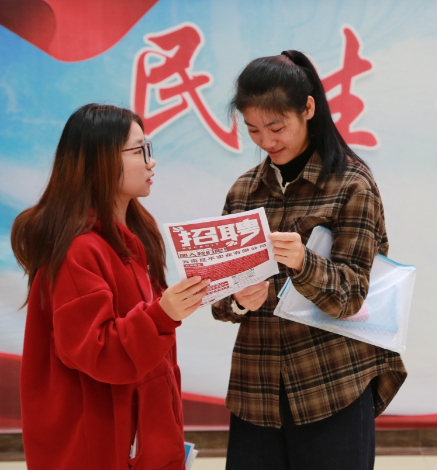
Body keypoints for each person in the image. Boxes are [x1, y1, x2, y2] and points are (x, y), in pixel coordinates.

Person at [211, 50, 407, 470]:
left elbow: (352, 296)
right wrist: (238, 301)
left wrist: (304, 264)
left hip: (331, 384)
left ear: (308, 109)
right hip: (256, 389)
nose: (266, 141)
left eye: (276, 127)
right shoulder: (244, 192)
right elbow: (220, 300)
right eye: (253, 130)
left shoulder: (352, 184)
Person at [11, 104, 210, 469]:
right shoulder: (79, 250)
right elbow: (98, 353)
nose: (151, 162)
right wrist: (162, 316)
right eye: (139, 151)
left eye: (149, 149)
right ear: (100, 160)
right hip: (103, 450)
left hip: (145, 442)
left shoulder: (138, 234)